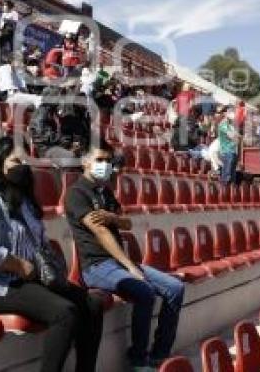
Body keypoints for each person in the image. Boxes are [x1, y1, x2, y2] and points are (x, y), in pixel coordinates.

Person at [0, 137, 103, 372]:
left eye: (26, 161)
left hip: (28, 280)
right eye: (16, 161)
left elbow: (39, 242)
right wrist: (15, 263)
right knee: (65, 313)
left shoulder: (24, 201)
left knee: (93, 304)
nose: (22, 166)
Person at [65, 142, 185, 371]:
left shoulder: (105, 191)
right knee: (145, 292)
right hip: (96, 267)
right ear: (85, 162)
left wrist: (113, 218)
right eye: (100, 160)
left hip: (118, 263)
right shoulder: (76, 193)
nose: (105, 165)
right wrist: (130, 266)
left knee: (175, 288)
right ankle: (137, 360)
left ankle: (159, 355)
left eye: (108, 161)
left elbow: (126, 222)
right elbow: (99, 232)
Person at [217, 106, 239, 185]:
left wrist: (236, 136)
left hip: (233, 151)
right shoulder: (223, 124)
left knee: (233, 178)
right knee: (227, 177)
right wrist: (236, 136)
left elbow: (238, 137)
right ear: (225, 113)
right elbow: (232, 136)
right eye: (230, 111)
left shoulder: (231, 125)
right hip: (227, 152)